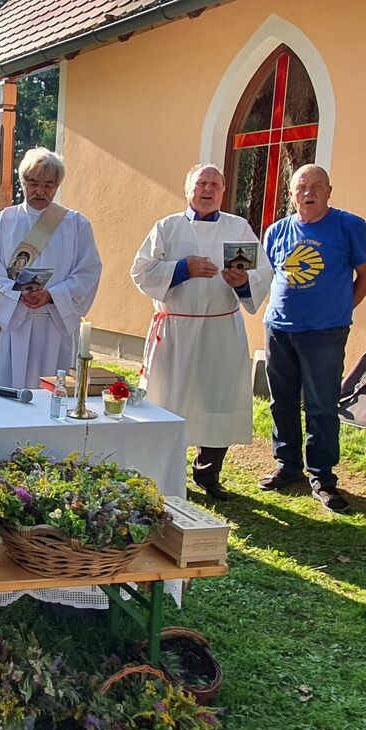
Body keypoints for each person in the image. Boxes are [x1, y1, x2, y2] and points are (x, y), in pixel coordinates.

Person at [131, 164, 273, 499]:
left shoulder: (238, 228)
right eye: (201, 184)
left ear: (223, 191)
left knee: (216, 399)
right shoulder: (167, 227)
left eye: (214, 184)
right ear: (188, 189)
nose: (207, 190)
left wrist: (243, 282)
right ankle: (165, 473)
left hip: (220, 328)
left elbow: (263, 272)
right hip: (176, 328)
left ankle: (208, 473)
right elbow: (140, 271)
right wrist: (182, 268)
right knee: (169, 399)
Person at [259, 164, 366, 512]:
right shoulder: (276, 231)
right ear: (291, 195)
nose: (308, 193)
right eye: (300, 187)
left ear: (329, 191)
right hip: (279, 329)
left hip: (325, 332)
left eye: (316, 186)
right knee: (281, 401)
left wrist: (341, 309)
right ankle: (288, 465)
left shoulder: (350, 226)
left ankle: (322, 476)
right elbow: (266, 275)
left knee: (322, 404)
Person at [0, 147, 102, 389]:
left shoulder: (76, 225)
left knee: (54, 393)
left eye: (48, 185)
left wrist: (52, 295)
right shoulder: (1, 223)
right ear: (23, 181)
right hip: (16, 322)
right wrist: (17, 294)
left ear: (57, 185)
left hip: (56, 323)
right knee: (12, 393)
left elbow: (88, 272)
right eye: (33, 183)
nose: (40, 191)